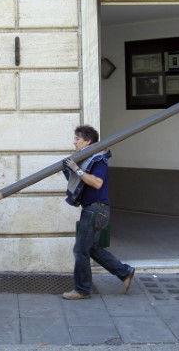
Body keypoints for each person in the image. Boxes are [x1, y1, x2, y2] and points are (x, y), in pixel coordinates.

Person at [61, 125, 135, 300]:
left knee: (80, 250)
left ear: (88, 141)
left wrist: (77, 170)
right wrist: (74, 169)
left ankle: (82, 290)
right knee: (91, 247)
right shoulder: (87, 159)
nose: (74, 142)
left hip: (96, 209)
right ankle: (124, 272)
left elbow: (97, 183)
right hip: (93, 209)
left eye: (78, 139)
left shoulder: (98, 159)